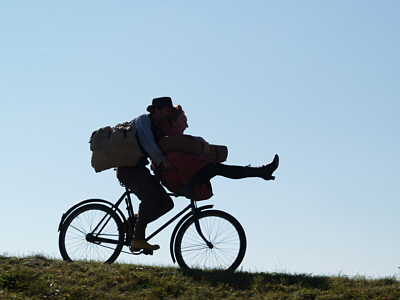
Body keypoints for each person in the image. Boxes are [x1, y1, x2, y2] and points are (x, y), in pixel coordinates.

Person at [156, 105, 280, 200]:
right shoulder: (167, 130)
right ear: (173, 122)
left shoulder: (177, 139)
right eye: (184, 122)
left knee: (217, 168)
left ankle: (261, 172)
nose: (187, 125)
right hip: (175, 175)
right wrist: (195, 138)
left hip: (181, 172)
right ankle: (261, 172)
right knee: (215, 168)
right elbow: (171, 145)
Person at [116, 97, 176, 251]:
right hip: (128, 169)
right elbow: (148, 143)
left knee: (166, 203)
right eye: (168, 110)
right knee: (151, 196)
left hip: (139, 170)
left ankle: (129, 226)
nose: (170, 113)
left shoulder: (156, 126)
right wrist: (162, 161)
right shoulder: (143, 120)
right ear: (157, 110)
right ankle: (138, 238)